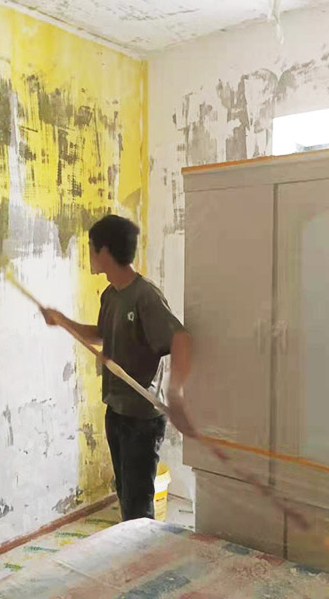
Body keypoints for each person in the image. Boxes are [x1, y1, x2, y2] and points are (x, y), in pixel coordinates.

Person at [40, 214, 196, 521]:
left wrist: (175, 392)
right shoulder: (111, 295)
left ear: (105, 251)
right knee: (126, 496)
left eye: (91, 247)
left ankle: (143, 550)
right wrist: (62, 321)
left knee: (138, 506)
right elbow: (101, 335)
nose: (88, 254)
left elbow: (180, 339)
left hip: (142, 417)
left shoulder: (145, 296)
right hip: (117, 410)